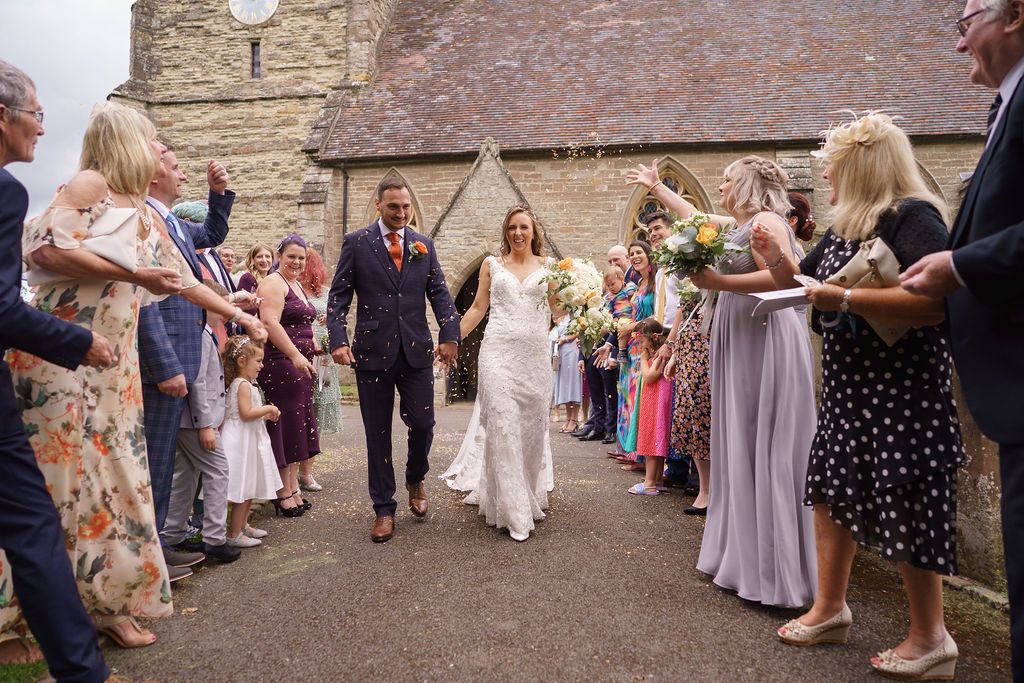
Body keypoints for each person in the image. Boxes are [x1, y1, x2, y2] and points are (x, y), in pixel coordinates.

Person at [3, 102, 266, 648]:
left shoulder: (144, 211)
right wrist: (132, 272)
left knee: (116, 480)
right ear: (126, 142)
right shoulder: (88, 185)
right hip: (65, 354)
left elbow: (181, 279)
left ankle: (109, 604)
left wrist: (238, 313)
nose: (157, 150)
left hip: (113, 365)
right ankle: (28, 614)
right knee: (60, 484)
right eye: (150, 139)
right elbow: (43, 249)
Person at [754, 112, 963, 679]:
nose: (827, 179)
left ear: (865, 167)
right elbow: (807, 287)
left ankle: (931, 637)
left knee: (911, 500)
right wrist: (776, 257)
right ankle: (830, 609)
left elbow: (936, 305)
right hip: (851, 390)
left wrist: (843, 302)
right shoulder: (847, 225)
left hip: (904, 391)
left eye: (836, 168)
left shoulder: (913, 218)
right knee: (831, 490)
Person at [628, 155, 817, 608]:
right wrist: (656, 188)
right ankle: (742, 558)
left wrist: (716, 281)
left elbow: (786, 280)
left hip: (764, 336)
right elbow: (694, 216)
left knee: (762, 441)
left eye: (728, 178)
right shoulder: (744, 221)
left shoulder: (767, 221)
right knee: (741, 442)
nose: (721, 183)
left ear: (749, 183)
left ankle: (775, 572)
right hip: (741, 335)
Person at [901, 1, 1024, 677]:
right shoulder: (1004, 105)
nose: (957, 47)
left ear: (1015, 15)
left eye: (965, 21)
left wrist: (960, 264)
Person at [0, 58, 112, 682]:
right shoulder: (7, 192)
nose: (41, 129)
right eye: (35, 115)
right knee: (35, 529)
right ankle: (81, 672)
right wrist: (79, 341)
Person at [327, 177, 460, 543]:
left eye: (405, 207)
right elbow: (338, 297)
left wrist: (450, 335)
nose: (401, 213)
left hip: (416, 350)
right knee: (377, 434)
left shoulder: (424, 245)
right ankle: (384, 508)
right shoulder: (357, 243)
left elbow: (440, 294)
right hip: (371, 352)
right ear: (378, 205)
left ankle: (415, 476)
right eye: (393, 207)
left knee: (424, 423)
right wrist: (337, 340)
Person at [140, 143, 237, 577]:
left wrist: (218, 193)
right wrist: (165, 364)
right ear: (152, 172)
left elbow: (213, 235)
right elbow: (148, 302)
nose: (183, 176)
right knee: (155, 462)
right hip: (166, 360)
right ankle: (153, 552)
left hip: (184, 356)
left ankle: (160, 545)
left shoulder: (174, 222)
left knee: (166, 465)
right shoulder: (144, 219)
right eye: (176, 168)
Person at [448, 205, 557, 541]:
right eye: (512, 227)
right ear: (506, 231)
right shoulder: (492, 265)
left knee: (531, 433)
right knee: (504, 427)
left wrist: (582, 300)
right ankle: (515, 514)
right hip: (497, 355)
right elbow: (478, 308)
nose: (518, 233)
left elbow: (558, 310)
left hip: (535, 359)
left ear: (534, 231)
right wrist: (450, 340)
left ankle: (522, 493)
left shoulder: (551, 267)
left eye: (524, 227)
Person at [159, 282, 239, 563]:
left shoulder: (203, 332)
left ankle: (173, 532)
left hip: (187, 420)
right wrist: (205, 424)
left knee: (187, 474)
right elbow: (198, 382)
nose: (226, 312)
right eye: (222, 305)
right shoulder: (201, 336)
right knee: (218, 471)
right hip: (194, 421)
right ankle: (214, 538)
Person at [257, 234, 320, 518]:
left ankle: (293, 487)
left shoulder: (295, 284)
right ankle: (282, 492)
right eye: (291, 256)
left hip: (300, 363)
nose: (296, 262)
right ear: (279, 255)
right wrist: (295, 354)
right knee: (285, 424)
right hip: (281, 361)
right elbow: (269, 322)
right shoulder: (273, 282)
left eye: (301, 258)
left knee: (297, 423)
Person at [221, 335, 282, 547]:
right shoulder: (243, 385)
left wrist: (264, 415)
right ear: (242, 362)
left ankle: (243, 525)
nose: (261, 365)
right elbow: (246, 413)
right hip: (240, 441)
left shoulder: (246, 383)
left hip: (248, 436)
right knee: (243, 488)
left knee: (249, 485)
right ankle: (234, 534)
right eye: (258, 361)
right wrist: (269, 408)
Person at [615, 241, 655, 471]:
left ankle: (642, 455)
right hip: (632, 346)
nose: (635, 256)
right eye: (632, 254)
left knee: (640, 398)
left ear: (649, 254)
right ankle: (632, 451)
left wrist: (631, 327)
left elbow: (656, 314)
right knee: (628, 398)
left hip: (648, 345)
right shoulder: (639, 283)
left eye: (639, 252)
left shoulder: (656, 282)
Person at [301, 247, 338, 492]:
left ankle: (307, 472)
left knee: (315, 414)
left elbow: (340, 320)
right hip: (300, 351)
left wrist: (331, 320)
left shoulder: (325, 293)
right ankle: (292, 471)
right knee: (299, 413)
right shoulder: (291, 290)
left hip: (323, 356)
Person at [628, 319, 671, 496]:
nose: (640, 345)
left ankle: (649, 483)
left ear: (653, 338)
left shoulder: (659, 356)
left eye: (642, 341)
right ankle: (657, 478)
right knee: (655, 435)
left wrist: (644, 359)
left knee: (652, 435)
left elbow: (649, 376)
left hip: (656, 399)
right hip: (653, 398)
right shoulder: (657, 353)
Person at [552, 312, 582, 433]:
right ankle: (568, 418)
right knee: (565, 387)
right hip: (562, 353)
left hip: (573, 351)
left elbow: (579, 331)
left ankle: (574, 420)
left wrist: (565, 339)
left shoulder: (578, 313)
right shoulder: (563, 316)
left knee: (573, 385)